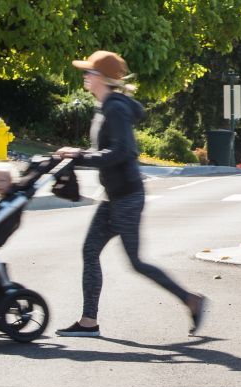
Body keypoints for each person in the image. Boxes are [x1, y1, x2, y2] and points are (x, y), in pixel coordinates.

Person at [52, 51, 207, 338]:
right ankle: (88, 322)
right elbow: (108, 149)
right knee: (90, 251)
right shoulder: (106, 106)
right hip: (114, 196)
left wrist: (80, 156)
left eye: (89, 72)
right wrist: (78, 155)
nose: (85, 76)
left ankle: (191, 299)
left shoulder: (116, 109)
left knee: (135, 262)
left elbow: (123, 151)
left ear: (101, 78)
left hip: (126, 197)